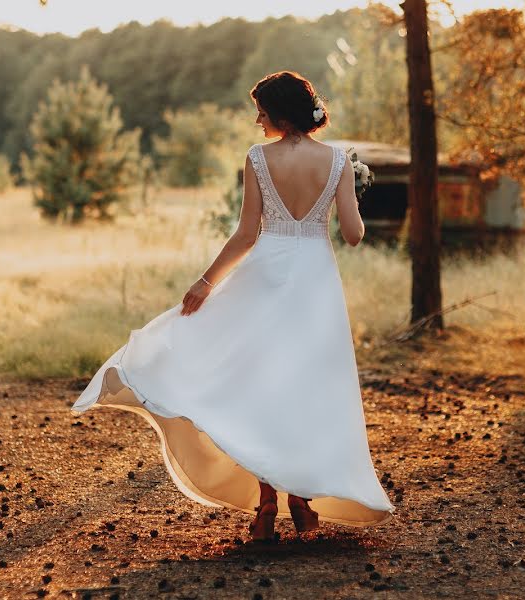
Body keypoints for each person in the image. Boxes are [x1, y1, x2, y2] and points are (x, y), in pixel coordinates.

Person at [70, 71, 395, 542]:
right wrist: (353, 195)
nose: (257, 119)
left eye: (262, 111)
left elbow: (246, 235)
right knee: (305, 386)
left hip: (265, 273)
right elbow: (352, 234)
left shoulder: (259, 160)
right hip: (314, 283)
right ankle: (300, 498)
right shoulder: (338, 161)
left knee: (257, 384)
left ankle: (268, 503)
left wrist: (206, 283)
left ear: (281, 114)